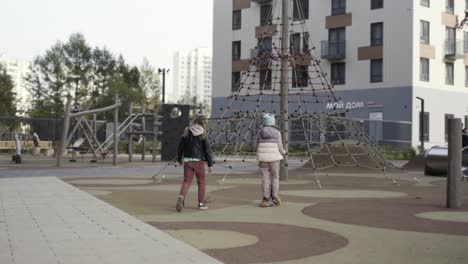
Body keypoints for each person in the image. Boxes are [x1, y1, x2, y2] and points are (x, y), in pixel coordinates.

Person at [176, 115, 214, 212]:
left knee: (186, 181)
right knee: (201, 182)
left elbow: (180, 147)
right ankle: (201, 203)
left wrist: (179, 159)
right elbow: (207, 150)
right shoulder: (203, 133)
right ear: (202, 123)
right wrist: (210, 164)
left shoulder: (187, 131)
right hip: (199, 161)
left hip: (188, 160)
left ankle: (181, 197)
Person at [256, 113, 286, 207]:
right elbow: (280, 147)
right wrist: (284, 152)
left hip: (263, 159)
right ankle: (275, 197)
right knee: (275, 177)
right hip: (274, 158)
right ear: (273, 122)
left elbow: (256, 145)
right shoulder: (277, 132)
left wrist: (259, 154)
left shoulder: (260, 132)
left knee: (265, 178)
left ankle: (265, 198)